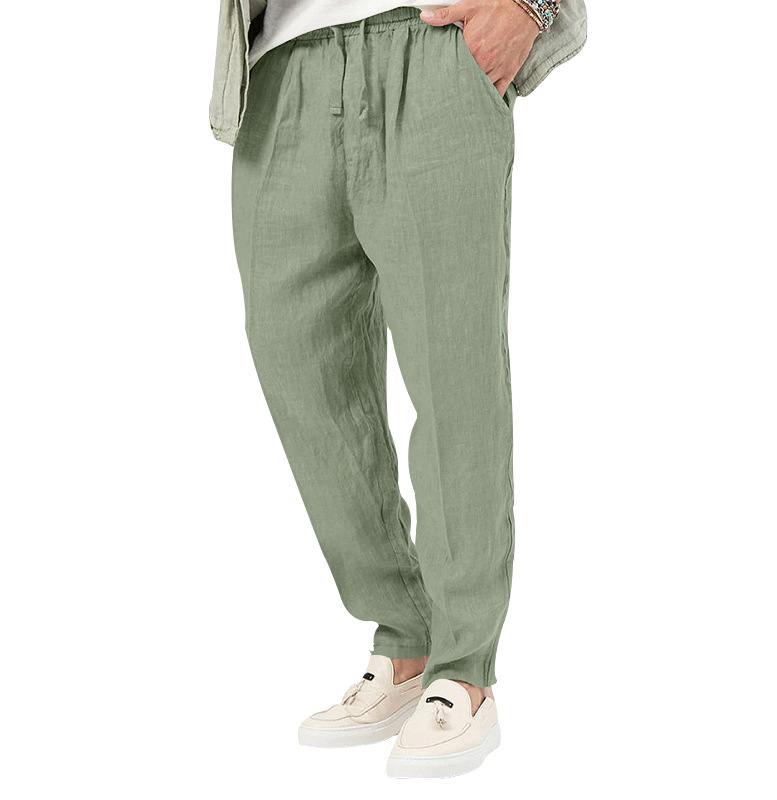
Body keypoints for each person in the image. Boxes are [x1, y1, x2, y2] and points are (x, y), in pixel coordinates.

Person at [209, 0, 586, 779]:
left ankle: (465, 671)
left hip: (431, 38)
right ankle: (407, 639)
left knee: (453, 367)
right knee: (292, 354)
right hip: (282, 66)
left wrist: (535, 7)